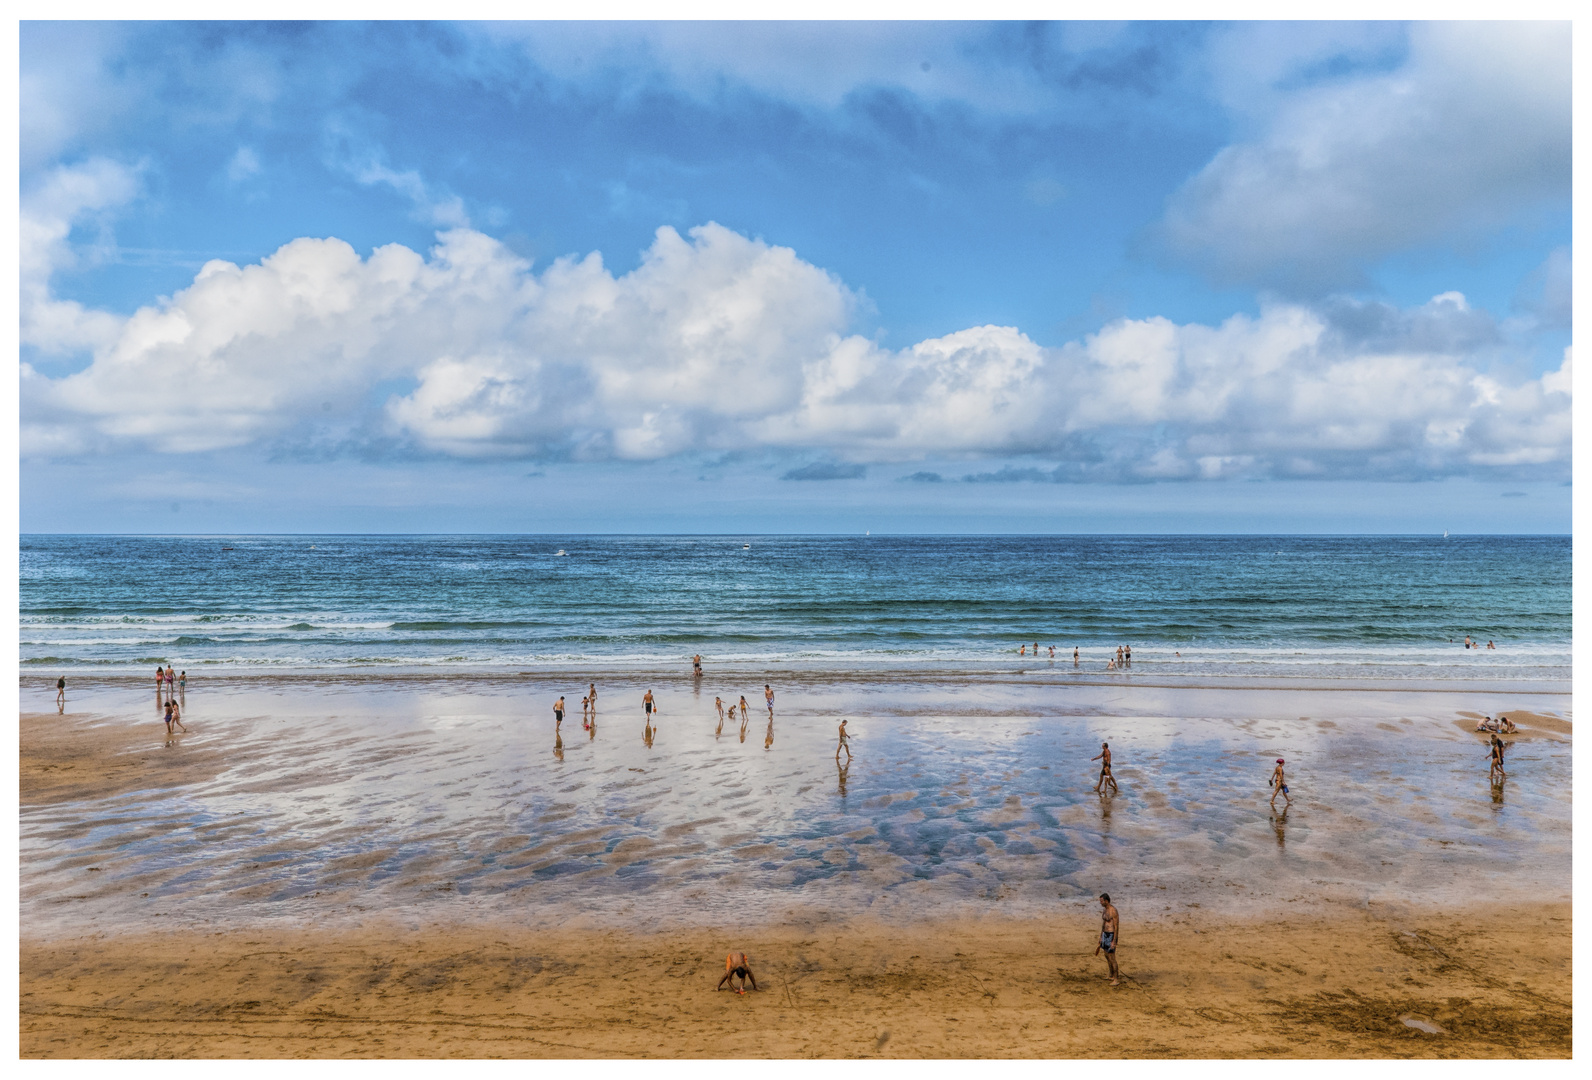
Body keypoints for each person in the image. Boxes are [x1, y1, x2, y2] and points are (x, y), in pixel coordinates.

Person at [1095, 894, 1120, 986]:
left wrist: (1114, 941)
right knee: (1106, 955)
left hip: (1111, 934)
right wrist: (1101, 935)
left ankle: (1116, 979)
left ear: (1106, 901)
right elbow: (1104, 923)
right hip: (1105, 934)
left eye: (1101, 901)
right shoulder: (1105, 910)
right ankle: (1111, 975)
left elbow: (1116, 926)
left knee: (1112, 957)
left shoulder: (1113, 911)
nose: (1100, 903)